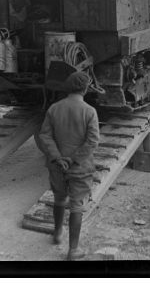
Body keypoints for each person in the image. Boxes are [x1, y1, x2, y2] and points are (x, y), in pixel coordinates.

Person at [38, 71, 100, 260]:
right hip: (79, 167)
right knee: (77, 205)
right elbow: (92, 141)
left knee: (59, 198)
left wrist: (58, 157)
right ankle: (73, 250)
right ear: (85, 88)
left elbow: (45, 135)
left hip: (57, 165)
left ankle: (57, 233)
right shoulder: (89, 111)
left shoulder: (54, 109)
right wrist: (73, 159)